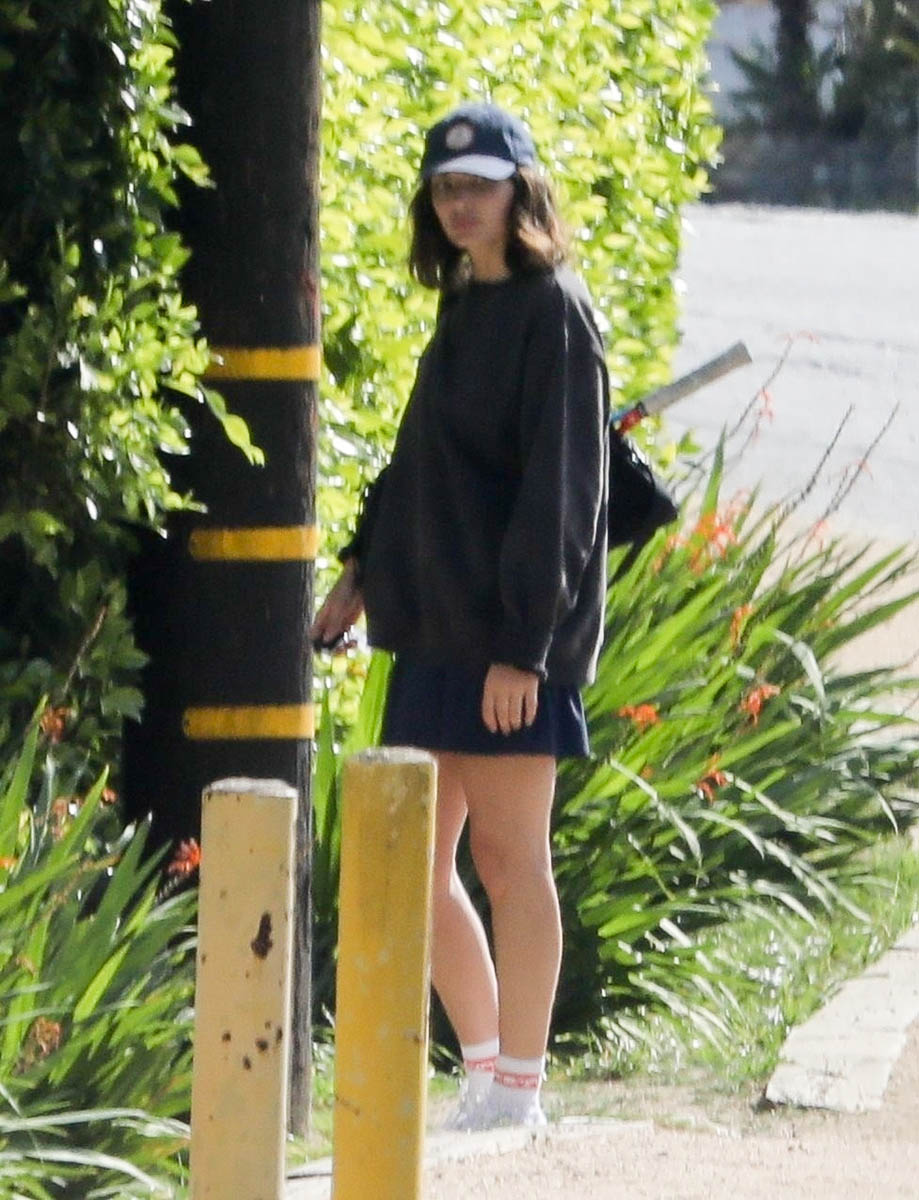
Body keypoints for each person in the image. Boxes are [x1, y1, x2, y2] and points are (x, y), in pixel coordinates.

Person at [310, 102, 609, 1130]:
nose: (458, 203)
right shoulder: (463, 303)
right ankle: (485, 1077)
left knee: (509, 862)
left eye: (478, 185)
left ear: (521, 191)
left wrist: (523, 649)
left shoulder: (554, 311)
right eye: (444, 188)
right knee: (412, 866)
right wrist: (359, 570)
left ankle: (519, 1089)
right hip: (433, 630)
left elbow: (562, 495)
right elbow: (420, 461)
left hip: (510, 646)